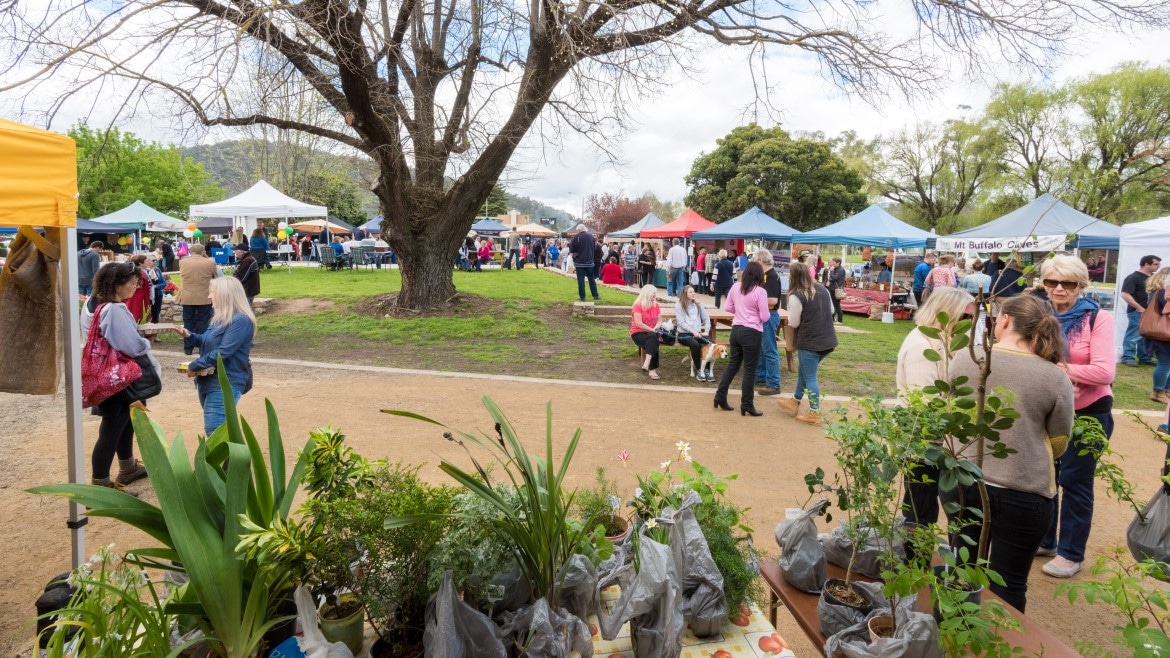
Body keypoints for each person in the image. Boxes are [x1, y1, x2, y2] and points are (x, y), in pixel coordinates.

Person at [947, 294, 1074, 612]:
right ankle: (1002, 645)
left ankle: (951, 639)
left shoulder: (966, 359)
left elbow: (947, 417)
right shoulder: (1055, 376)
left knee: (961, 570)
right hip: (1025, 491)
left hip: (964, 482)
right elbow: (1060, 441)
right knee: (1010, 583)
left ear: (1004, 320)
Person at [1036, 255, 1116, 579]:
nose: (1058, 288)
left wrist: (1060, 370)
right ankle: (1045, 540)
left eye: (1067, 283)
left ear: (1081, 285)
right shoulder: (1039, 316)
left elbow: (1104, 371)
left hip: (1088, 412)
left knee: (1075, 481)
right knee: (1045, 476)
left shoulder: (1098, 318)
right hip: (1049, 407)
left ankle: (1071, 552)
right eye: (1051, 282)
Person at [895, 286, 976, 558]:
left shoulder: (941, 343)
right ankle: (914, 563)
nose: (970, 324)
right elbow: (926, 403)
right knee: (920, 507)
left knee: (924, 504)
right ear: (946, 314)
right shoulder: (924, 347)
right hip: (923, 440)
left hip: (934, 440)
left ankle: (917, 559)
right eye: (965, 317)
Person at [81, 262, 158, 492]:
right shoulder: (114, 309)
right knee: (112, 429)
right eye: (133, 284)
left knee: (125, 423)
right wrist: (144, 341)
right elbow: (131, 346)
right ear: (117, 285)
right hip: (119, 377)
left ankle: (128, 466)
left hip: (106, 374)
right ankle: (101, 483)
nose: (135, 288)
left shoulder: (91, 303)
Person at [175, 277, 256, 436]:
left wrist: (193, 365)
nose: (209, 296)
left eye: (212, 292)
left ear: (226, 294)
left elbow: (223, 352)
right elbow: (207, 342)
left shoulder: (240, 320)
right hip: (208, 382)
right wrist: (189, 336)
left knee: (215, 431)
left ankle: (229, 461)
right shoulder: (220, 319)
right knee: (218, 431)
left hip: (225, 382)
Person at [777, 263, 838, 425]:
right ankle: (795, 401)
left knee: (810, 376)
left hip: (809, 341)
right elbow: (831, 311)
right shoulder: (823, 289)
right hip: (828, 339)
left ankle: (814, 412)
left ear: (793, 277)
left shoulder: (796, 295)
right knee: (805, 372)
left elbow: (794, 323)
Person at [713, 261, 769, 417]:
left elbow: (728, 308)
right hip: (752, 331)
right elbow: (765, 317)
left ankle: (720, 396)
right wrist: (754, 313)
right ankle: (747, 404)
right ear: (759, 275)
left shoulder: (736, 287)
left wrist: (741, 311)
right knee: (750, 370)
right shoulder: (760, 292)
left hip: (736, 329)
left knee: (733, 365)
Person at [1120, 255, 1162, 366]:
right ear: (1146, 264)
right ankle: (1128, 357)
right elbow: (1125, 294)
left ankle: (1145, 357)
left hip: (1150, 311)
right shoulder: (1133, 277)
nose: (1158, 266)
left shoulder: (1154, 278)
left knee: (1147, 334)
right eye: (1156, 264)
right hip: (1137, 311)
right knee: (1134, 334)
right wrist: (1138, 307)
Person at [178, 243, 218, 355]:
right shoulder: (210, 262)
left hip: (187, 295)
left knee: (188, 322)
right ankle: (203, 347)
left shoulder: (183, 262)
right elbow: (215, 276)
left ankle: (188, 347)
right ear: (203, 252)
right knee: (204, 322)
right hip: (204, 295)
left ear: (191, 251)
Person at [753, 250, 783, 396]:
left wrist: (753, 301)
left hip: (770, 316)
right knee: (762, 348)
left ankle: (773, 383)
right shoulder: (767, 275)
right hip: (767, 316)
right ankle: (760, 375)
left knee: (770, 350)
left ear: (760, 261)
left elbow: (773, 300)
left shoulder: (771, 276)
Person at [675, 284, 713, 381]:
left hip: (698, 333)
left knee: (710, 343)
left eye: (693, 291)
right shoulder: (679, 306)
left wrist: (707, 331)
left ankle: (707, 370)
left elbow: (706, 318)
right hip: (684, 334)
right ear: (685, 294)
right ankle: (699, 369)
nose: (693, 293)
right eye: (690, 292)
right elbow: (681, 323)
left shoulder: (698, 306)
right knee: (695, 344)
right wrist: (693, 332)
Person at [1145, 267, 1170, 404]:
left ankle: (1165, 389)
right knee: (1165, 363)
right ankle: (1158, 391)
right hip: (1163, 334)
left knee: (1167, 363)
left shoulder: (1157, 292)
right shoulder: (1162, 293)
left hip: (1161, 333)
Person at [629, 285, 663, 381]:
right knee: (653, 339)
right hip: (638, 332)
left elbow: (660, 321)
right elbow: (638, 323)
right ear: (647, 293)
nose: (655, 295)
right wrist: (652, 329)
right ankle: (652, 369)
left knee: (653, 338)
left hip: (652, 332)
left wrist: (655, 328)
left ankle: (647, 363)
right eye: (654, 293)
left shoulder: (656, 305)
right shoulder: (637, 305)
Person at [568, 229, 599, 301]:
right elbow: (594, 248)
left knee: (581, 280)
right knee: (591, 279)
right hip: (589, 261)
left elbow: (571, 248)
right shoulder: (591, 237)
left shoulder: (576, 237)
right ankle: (595, 295)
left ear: (578, 230)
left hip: (579, 262)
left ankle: (582, 296)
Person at [126, 255, 154, 323]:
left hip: (142, 295)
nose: (148, 262)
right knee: (138, 313)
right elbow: (136, 284)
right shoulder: (138, 272)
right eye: (146, 261)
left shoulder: (142, 271)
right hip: (139, 297)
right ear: (140, 263)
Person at [143, 254, 166, 324]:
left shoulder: (157, 270)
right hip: (147, 295)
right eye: (153, 260)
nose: (155, 262)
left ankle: (155, 329)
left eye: (156, 260)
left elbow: (164, 283)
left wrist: (156, 286)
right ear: (147, 261)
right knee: (148, 313)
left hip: (158, 294)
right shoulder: (144, 271)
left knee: (156, 313)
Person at [825, 257, 846, 324]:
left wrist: (831, 271)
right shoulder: (836, 269)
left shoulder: (840, 270)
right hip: (832, 288)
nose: (832, 264)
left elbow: (833, 278)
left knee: (836, 305)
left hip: (836, 289)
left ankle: (840, 320)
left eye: (834, 262)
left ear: (838, 263)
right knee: (833, 304)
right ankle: (832, 319)